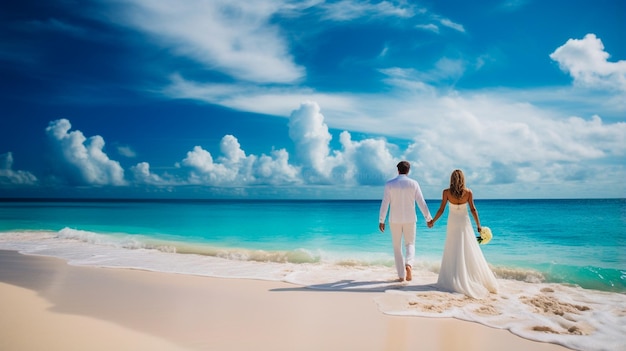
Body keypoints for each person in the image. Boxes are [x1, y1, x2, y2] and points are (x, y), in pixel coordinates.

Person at [427, 169, 498, 298]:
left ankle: (454, 277)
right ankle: (468, 277)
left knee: (453, 248)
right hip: (464, 223)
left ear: (451, 179)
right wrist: (478, 225)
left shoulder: (446, 192)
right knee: (467, 248)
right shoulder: (468, 192)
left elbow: (441, 209)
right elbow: (473, 209)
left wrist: (433, 221)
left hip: (453, 223)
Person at [379, 161, 432, 282]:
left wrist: (381, 220)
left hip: (394, 220)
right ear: (408, 171)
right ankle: (409, 265)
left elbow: (385, 203)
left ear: (398, 170)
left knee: (397, 247)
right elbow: (421, 202)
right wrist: (428, 218)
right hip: (410, 219)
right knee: (410, 244)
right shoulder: (414, 183)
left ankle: (401, 275)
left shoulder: (389, 184)